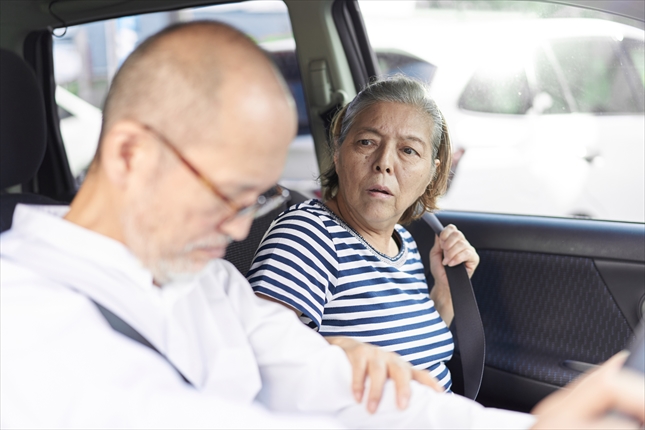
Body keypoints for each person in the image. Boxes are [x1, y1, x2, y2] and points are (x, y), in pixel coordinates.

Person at [1, 21, 643, 429]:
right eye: (227, 194)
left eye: (253, 200)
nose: (234, 233)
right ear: (130, 156)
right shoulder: (21, 317)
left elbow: (339, 388)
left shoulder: (212, 288)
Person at [248, 76, 477, 395]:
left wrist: (446, 292)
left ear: (432, 173)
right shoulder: (310, 234)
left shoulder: (402, 243)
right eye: (367, 142)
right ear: (338, 152)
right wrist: (340, 352)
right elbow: (254, 356)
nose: (384, 163)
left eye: (408, 151)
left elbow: (415, 356)